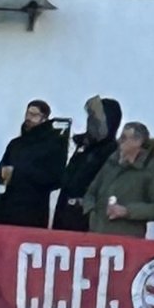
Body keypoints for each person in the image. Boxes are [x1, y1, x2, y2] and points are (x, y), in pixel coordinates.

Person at [0, 100, 66, 230]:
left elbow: (56, 179)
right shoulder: (15, 144)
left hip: (34, 211)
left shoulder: (53, 145)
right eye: (28, 113)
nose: (29, 118)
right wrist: (2, 174)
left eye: (34, 115)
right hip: (9, 209)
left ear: (44, 119)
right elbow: (0, 173)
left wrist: (21, 172)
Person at [54, 97, 124, 230]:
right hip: (65, 215)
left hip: (88, 221)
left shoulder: (112, 152)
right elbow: (66, 180)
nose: (91, 123)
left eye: (96, 120)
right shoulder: (83, 147)